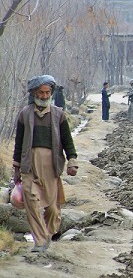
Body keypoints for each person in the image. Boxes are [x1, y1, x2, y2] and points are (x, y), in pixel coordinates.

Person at [12, 75, 78, 253]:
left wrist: (72, 161)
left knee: (53, 209)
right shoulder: (25, 114)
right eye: (40, 92)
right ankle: (39, 241)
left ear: (51, 93)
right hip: (29, 165)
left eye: (47, 92)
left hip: (51, 166)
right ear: (34, 93)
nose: (44, 95)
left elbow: (67, 141)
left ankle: (48, 234)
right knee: (31, 201)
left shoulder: (58, 115)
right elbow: (18, 143)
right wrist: (16, 168)